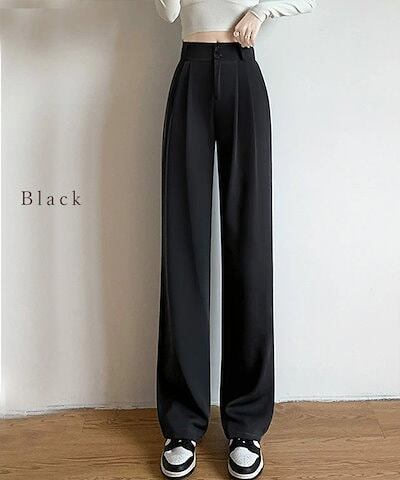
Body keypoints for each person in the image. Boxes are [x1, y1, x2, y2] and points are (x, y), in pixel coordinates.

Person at [154, 1, 316, 478]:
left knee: (250, 249)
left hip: (244, 75)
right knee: (183, 249)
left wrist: (263, 11)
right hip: (190, 73)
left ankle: (246, 425)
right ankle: (182, 424)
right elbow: (168, 12)